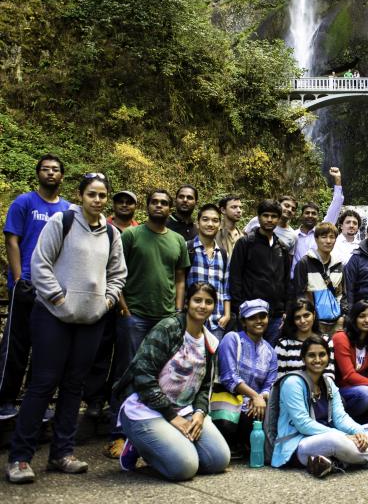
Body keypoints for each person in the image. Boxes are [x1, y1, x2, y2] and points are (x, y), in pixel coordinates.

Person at [6, 173, 127, 484]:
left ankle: (63, 452)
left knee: (75, 385)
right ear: (81, 195)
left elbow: (118, 273)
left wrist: (106, 302)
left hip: (91, 319)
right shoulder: (62, 222)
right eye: (92, 195)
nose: (97, 200)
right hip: (53, 316)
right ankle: (20, 458)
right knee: (43, 384)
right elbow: (40, 262)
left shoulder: (112, 234)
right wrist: (58, 298)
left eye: (102, 195)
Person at [115, 282, 230, 481]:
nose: (202, 306)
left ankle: (170, 443)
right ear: (187, 302)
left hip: (184, 409)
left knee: (218, 460)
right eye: (197, 300)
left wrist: (201, 413)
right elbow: (143, 376)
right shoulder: (168, 328)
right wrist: (171, 417)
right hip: (146, 408)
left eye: (208, 302)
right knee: (184, 467)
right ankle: (137, 443)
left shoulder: (211, 342)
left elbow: (205, 386)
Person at [106, 189, 191, 458]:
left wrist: (178, 311)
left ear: (169, 209)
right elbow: (115, 270)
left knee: (162, 375)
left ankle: (154, 432)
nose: (159, 206)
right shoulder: (131, 235)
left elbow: (179, 277)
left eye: (164, 203)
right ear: (147, 206)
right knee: (127, 372)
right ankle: (118, 434)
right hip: (135, 316)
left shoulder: (178, 240)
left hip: (165, 317)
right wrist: (124, 307)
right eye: (154, 202)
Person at [270, 335, 368, 478]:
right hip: (298, 445)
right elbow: (303, 424)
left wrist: (358, 433)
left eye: (322, 355)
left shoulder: (328, 383)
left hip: (328, 439)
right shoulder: (293, 383)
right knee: (334, 440)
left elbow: (340, 418)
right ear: (303, 358)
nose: (317, 360)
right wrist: (344, 437)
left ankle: (336, 461)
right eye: (311, 355)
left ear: (328, 358)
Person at [0, 154, 70, 422]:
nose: (50, 173)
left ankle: (37, 402)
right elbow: (12, 241)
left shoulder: (67, 209)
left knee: (47, 348)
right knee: (16, 345)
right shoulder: (24, 202)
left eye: (55, 170)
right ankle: (5, 400)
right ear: (38, 173)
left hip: (53, 288)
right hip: (27, 283)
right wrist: (19, 279)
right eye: (45, 169)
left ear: (62, 175)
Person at [84, 190, 138, 419]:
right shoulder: (101, 226)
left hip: (128, 302)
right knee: (100, 351)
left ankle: (116, 402)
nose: (124, 205)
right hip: (102, 299)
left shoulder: (139, 231)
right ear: (113, 204)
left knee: (124, 357)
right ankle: (94, 400)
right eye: (120, 201)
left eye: (129, 202)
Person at [216, 299, 278, 458]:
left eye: (262, 316)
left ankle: (242, 447)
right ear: (244, 322)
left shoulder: (270, 351)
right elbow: (229, 377)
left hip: (255, 404)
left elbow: (269, 384)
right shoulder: (232, 339)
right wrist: (254, 395)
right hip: (230, 398)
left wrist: (261, 397)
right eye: (252, 317)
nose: (259, 321)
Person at [229, 199, 290, 346]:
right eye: (265, 215)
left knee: (268, 357)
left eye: (274, 216)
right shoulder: (245, 243)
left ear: (278, 218)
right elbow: (235, 277)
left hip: (275, 315)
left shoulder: (282, 247)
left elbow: (286, 282)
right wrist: (239, 309)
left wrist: (285, 310)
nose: (269, 219)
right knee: (247, 355)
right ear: (258, 217)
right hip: (250, 313)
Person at [292, 222, 348, 334]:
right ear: (316, 239)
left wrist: (343, 317)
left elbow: (344, 294)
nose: (328, 241)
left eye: (332, 237)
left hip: (336, 323)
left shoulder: (339, 265)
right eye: (324, 237)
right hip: (314, 324)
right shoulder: (304, 263)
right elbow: (299, 295)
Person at [187, 204, 231, 341]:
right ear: (197, 223)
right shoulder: (187, 248)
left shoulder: (223, 254)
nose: (210, 224)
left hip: (216, 321)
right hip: (190, 319)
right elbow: (179, 282)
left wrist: (227, 314)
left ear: (219, 224)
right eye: (205, 219)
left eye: (215, 220)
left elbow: (225, 287)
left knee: (213, 361)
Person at [291, 168, 344, 277]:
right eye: (307, 213)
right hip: (295, 282)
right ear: (301, 216)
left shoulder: (322, 231)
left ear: (318, 216)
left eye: (313, 213)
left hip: (318, 281)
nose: (310, 215)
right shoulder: (292, 235)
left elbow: (336, 204)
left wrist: (337, 180)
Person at [275, 298, 335, 379]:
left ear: (313, 315)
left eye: (306, 315)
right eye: (297, 317)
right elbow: (280, 377)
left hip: (321, 389)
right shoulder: (284, 344)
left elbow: (329, 374)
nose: (302, 321)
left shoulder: (326, 341)